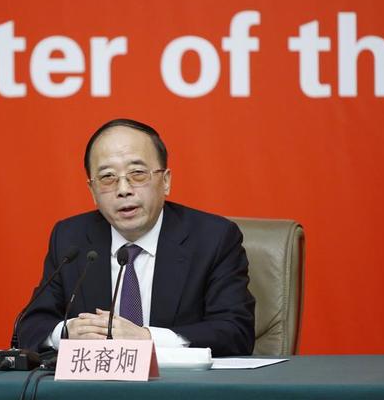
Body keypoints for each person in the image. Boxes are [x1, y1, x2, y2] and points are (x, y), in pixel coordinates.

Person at [15, 119, 255, 357]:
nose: (123, 189)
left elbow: (235, 331)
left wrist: (146, 338)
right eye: (108, 177)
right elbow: (30, 327)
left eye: (138, 174)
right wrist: (67, 333)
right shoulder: (71, 239)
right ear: (92, 191)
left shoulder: (213, 238)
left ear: (166, 181)